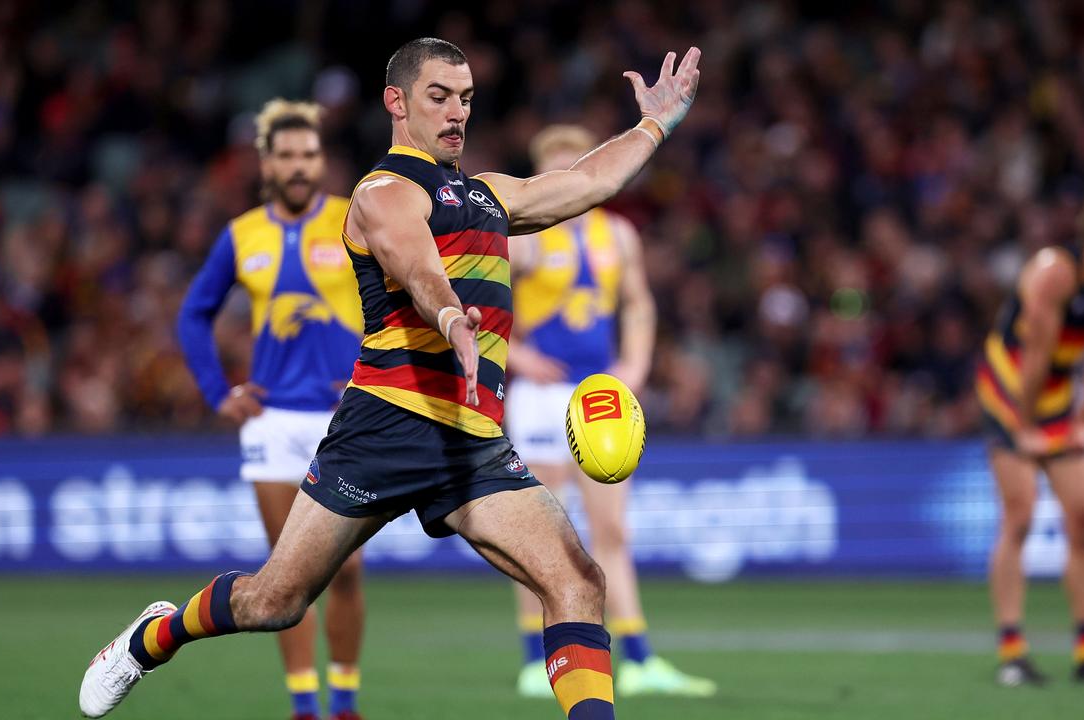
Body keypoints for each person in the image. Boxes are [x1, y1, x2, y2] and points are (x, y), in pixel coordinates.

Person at [79, 37, 700, 720]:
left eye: (465, 97)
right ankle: (155, 635)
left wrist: (653, 125)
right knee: (275, 601)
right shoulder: (381, 192)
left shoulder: (489, 193)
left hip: (473, 443)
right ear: (396, 103)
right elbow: (413, 259)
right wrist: (451, 319)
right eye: (439, 96)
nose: (457, 111)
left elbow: (587, 183)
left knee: (578, 579)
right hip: (384, 427)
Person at [505, 124, 715, 699]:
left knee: (611, 531)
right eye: (559, 164)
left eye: (580, 162)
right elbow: (485, 304)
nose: (571, 174)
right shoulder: (525, 236)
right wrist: (518, 356)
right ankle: (535, 658)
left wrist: (637, 366)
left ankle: (640, 658)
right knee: (538, 533)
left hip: (598, 398)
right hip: (542, 397)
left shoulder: (617, 234)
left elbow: (639, 303)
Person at [175, 99, 367, 720]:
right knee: (287, 578)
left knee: (349, 572)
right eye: (287, 155)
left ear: (322, 160)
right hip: (272, 422)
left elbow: (402, 293)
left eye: (309, 154)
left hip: (346, 418)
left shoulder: (353, 219)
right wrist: (217, 392)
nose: (299, 166)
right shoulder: (242, 234)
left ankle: (344, 699)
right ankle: (306, 707)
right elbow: (193, 315)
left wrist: (377, 372)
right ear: (267, 163)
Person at [977, 190, 1084, 687]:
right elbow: (1035, 352)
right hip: (1011, 388)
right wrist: (1025, 426)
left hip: (1059, 398)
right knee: (1021, 515)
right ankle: (1012, 649)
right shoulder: (1056, 274)